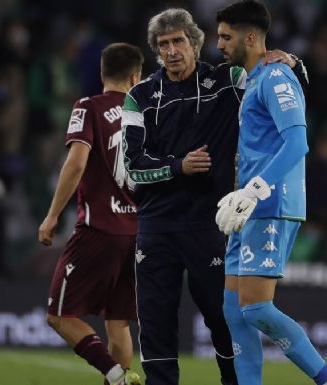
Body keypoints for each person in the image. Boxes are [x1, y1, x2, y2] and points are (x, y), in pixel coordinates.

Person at [121, 8, 308, 385]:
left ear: (194, 43)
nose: (171, 50)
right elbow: (131, 167)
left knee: (225, 318)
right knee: (155, 320)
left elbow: (280, 85)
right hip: (156, 224)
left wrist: (290, 60)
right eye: (163, 44)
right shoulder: (139, 96)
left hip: (212, 222)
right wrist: (178, 167)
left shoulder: (228, 78)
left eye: (178, 41)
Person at [214, 2, 327, 385]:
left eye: (226, 36)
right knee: (233, 309)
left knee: (256, 307)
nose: (220, 44)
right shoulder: (254, 78)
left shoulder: (275, 77)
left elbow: (297, 142)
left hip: (268, 203)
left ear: (251, 37)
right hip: (247, 206)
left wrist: (255, 190)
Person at [38, 42, 144, 385]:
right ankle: (121, 377)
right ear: (135, 76)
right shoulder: (144, 113)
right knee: (118, 322)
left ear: (102, 73)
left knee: (59, 315)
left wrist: (53, 214)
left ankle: (117, 377)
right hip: (138, 232)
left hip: (99, 228)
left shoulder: (88, 107)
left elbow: (76, 162)